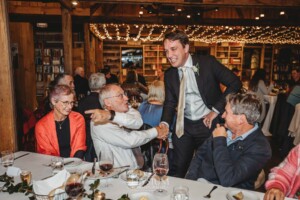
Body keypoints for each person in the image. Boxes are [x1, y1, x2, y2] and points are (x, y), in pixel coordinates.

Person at [160, 30, 242, 178]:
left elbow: (235, 83)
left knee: (208, 168)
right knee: (178, 167)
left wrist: (216, 110)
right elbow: (170, 102)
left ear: (186, 48)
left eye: (173, 49)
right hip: (183, 127)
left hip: (208, 124)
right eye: (166, 51)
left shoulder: (207, 63)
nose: (169, 56)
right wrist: (165, 123)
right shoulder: (169, 74)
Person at [185, 92, 272, 190]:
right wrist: (190, 181)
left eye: (226, 112)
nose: (222, 116)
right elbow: (199, 156)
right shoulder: (223, 129)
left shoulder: (260, 148)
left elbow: (228, 179)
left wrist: (219, 141)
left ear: (241, 119)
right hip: (201, 184)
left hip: (228, 193)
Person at [89, 84, 168, 169]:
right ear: (108, 102)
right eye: (120, 96)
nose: (126, 98)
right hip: (116, 174)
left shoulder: (125, 110)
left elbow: (138, 122)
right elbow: (130, 141)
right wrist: (156, 131)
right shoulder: (98, 123)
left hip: (135, 171)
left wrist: (112, 115)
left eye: (124, 94)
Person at [35, 85, 86, 158]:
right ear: (54, 101)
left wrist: (73, 166)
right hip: (52, 165)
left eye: (71, 102)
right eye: (65, 102)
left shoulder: (78, 118)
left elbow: (79, 148)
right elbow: (45, 154)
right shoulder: (42, 125)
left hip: (74, 163)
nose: (70, 107)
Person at [78, 73, 106, 162]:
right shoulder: (104, 102)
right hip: (101, 138)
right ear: (103, 86)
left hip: (85, 137)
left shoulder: (82, 101)